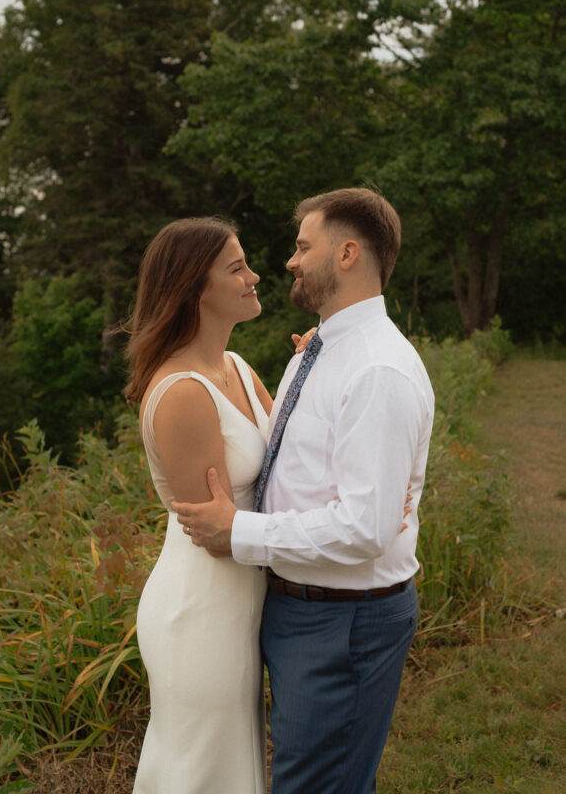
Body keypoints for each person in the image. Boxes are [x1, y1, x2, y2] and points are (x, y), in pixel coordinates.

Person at [174, 188, 435, 794]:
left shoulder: (375, 369)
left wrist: (238, 531)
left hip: (342, 623)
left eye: (302, 246)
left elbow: (367, 530)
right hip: (304, 611)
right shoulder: (318, 351)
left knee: (318, 784)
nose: (289, 262)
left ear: (347, 254)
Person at [125, 216, 274, 794]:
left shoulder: (234, 368)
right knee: (204, 772)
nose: (254, 276)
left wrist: (320, 358)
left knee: (233, 766)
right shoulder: (183, 393)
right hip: (203, 610)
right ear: (194, 288)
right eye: (237, 268)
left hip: (243, 600)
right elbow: (213, 537)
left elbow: (291, 450)